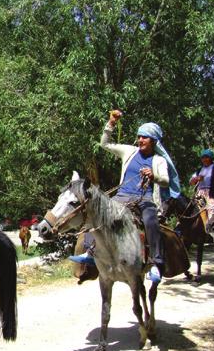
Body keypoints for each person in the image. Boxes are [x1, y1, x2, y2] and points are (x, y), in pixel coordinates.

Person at [69, 109, 177, 284]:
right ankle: (90, 252)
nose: (141, 140)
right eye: (139, 136)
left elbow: (165, 181)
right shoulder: (129, 151)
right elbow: (105, 144)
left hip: (146, 199)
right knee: (97, 212)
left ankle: (156, 262)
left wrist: (153, 175)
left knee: (151, 221)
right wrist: (111, 123)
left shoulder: (159, 160)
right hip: (122, 196)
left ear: (154, 141)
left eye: (145, 137)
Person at [189, 149, 214, 216]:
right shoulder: (199, 170)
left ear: (211, 158)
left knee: (212, 213)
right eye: (203, 158)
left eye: (207, 157)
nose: (204, 159)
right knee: (196, 213)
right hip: (199, 196)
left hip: (212, 195)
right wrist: (196, 179)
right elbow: (191, 182)